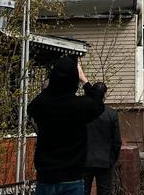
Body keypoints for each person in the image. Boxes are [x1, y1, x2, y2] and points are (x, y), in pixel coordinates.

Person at [28, 56, 104, 195]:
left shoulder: (42, 104)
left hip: (46, 177)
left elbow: (32, 107)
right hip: (72, 177)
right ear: (74, 80)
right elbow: (98, 103)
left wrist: (51, 85)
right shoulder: (81, 106)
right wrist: (84, 79)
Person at [84, 82, 122, 195]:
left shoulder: (83, 112)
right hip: (105, 160)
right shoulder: (111, 114)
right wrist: (112, 160)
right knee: (104, 192)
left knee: (83, 190)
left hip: (85, 160)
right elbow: (117, 141)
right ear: (104, 95)